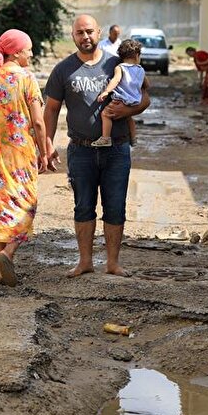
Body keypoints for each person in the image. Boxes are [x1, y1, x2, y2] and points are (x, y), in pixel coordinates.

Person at [44, 14, 151, 278]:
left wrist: (127, 111)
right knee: (83, 206)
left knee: (115, 206)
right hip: (80, 149)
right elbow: (51, 110)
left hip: (116, 148)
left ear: (99, 32)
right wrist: (47, 144)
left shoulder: (119, 64)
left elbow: (145, 96)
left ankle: (112, 263)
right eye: (80, 33)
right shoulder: (63, 70)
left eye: (90, 31)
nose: (86, 37)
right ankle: (85, 262)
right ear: (73, 36)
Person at [0, 29, 47, 287]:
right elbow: (37, 120)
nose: (32, 54)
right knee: (26, 204)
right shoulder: (25, 78)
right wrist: (45, 151)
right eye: (29, 50)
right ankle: (8, 253)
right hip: (18, 156)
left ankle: (1, 270)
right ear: (16, 52)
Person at [93, 39, 146, 147]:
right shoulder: (141, 69)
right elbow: (147, 84)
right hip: (135, 101)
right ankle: (133, 138)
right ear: (137, 55)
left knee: (105, 114)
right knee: (129, 117)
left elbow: (115, 80)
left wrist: (106, 92)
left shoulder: (120, 67)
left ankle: (106, 138)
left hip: (120, 100)